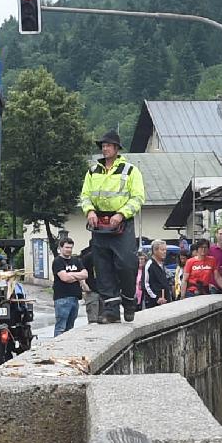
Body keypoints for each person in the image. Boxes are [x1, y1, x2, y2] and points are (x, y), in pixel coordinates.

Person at [79, 131, 146, 321]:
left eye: (108, 145)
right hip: (99, 224)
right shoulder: (93, 171)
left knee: (126, 264)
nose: (105, 148)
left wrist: (121, 214)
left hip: (121, 224)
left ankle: (129, 301)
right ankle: (111, 310)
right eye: (103, 145)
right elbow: (85, 196)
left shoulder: (130, 170)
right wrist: (90, 211)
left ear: (117, 148)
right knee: (103, 267)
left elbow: (138, 197)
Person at [50, 236, 87, 335]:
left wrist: (71, 275)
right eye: (66, 247)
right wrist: (77, 276)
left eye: (70, 247)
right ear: (61, 248)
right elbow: (64, 278)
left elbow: (85, 274)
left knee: (70, 328)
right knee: (61, 327)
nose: (69, 250)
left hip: (75, 298)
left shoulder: (76, 260)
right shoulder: (58, 261)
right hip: (62, 298)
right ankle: (57, 347)